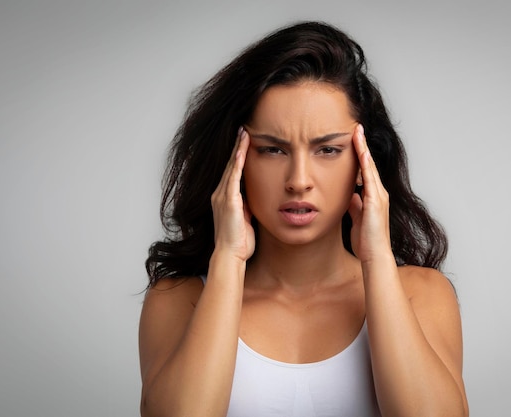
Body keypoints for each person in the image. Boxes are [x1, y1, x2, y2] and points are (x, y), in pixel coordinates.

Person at [139, 21, 468, 417]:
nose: (298, 181)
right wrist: (227, 258)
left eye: (327, 150)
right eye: (272, 150)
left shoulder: (422, 295)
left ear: (363, 163)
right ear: (235, 161)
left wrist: (377, 258)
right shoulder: (179, 301)